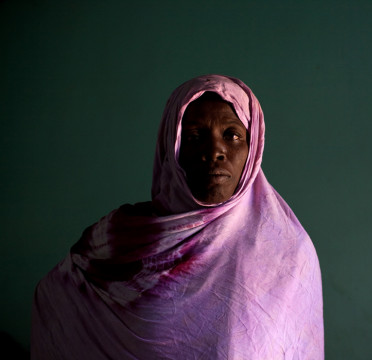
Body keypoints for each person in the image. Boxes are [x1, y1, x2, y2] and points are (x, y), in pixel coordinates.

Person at [31, 74, 324, 359]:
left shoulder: (288, 254)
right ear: (171, 147)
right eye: (195, 136)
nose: (215, 151)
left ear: (253, 148)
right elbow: (57, 303)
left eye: (232, 135)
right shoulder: (120, 243)